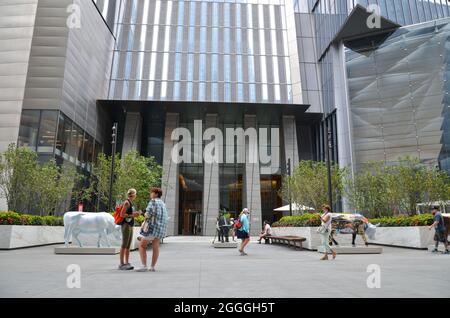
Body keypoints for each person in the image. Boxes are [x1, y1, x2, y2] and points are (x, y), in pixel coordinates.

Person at [135, 187, 168, 272]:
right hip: (160, 229)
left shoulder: (153, 202)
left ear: (156, 194)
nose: (150, 194)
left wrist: (143, 214)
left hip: (152, 228)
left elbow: (148, 214)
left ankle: (144, 266)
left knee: (142, 245)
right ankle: (152, 266)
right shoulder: (163, 203)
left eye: (151, 192)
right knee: (155, 247)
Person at [118, 189, 142, 270]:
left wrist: (135, 214)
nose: (135, 196)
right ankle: (121, 263)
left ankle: (126, 262)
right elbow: (122, 214)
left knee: (128, 245)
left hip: (130, 225)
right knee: (124, 244)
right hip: (126, 225)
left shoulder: (130, 202)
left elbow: (129, 213)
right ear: (133, 195)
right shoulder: (127, 203)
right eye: (135, 194)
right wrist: (133, 215)